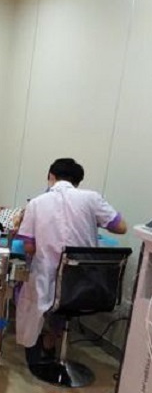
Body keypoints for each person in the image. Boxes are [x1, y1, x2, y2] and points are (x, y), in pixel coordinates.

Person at [15, 158, 127, 369]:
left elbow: (29, 247)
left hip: (48, 282)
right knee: (61, 299)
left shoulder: (36, 203)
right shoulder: (92, 198)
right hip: (88, 285)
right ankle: (51, 341)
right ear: (77, 182)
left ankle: (36, 344)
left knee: (24, 289)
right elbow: (121, 227)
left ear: (51, 176)